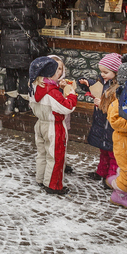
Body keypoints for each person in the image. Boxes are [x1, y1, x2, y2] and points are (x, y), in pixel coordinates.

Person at [28, 55, 77, 194]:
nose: (59, 75)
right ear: (51, 74)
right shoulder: (52, 92)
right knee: (56, 156)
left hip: (40, 124)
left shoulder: (35, 87)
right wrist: (72, 95)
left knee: (42, 153)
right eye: (57, 73)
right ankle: (53, 185)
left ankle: (41, 178)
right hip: (53, 126)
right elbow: (67, 107)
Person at [0, 0, 44, 116]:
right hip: (25, 45)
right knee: (24, 74)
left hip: (8, 44)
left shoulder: (2, 5)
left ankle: (10, 103)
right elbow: (40, 23)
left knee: (10, 73)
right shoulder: (30, 5)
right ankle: (23, 104)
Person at [86, 53, 123, 183]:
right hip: (102, 123)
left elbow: (115, 109)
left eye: (105, 72)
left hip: (111, 125)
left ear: (116, 72)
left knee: (113, 154)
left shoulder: (118, 89)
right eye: (101, 71)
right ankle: (101, 172)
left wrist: (100, 103)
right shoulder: (103, 82)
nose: (102, 74)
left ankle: (111, 179)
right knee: (104, 151)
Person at [106, 88, 127, 209]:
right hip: (124, 142)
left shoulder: (124, 101)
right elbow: (117, 122)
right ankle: (120, 194)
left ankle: (118, 181)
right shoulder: (118, 104)